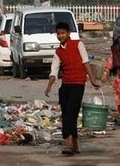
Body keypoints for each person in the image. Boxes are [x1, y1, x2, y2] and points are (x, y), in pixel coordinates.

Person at [45, 21, 101, 155]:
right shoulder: (58, 52)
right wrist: (49, 86)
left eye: (63, 33)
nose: (60, 36)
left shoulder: (78, 44)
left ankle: (69, 142)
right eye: (58, 34)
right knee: (67, 113)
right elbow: (54, 70)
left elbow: (86, 62)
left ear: (68, 33)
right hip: (65, 85)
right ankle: (74, 143)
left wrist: (92, 79)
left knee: (70, 111)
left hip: (78, 83)